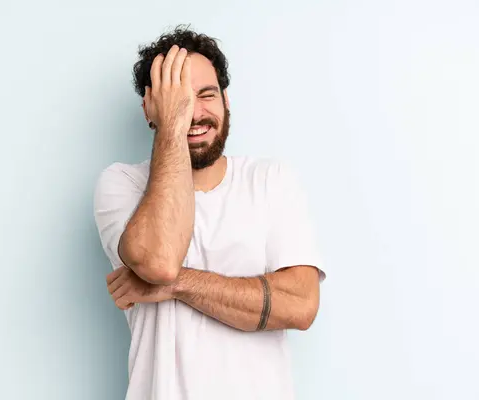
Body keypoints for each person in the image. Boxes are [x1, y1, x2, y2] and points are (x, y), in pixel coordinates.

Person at [93, 26, 327, 400]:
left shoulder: (270, 180)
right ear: (150, 110)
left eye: (206, 95)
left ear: (226, 100)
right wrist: (172, 124)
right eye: (180, 99)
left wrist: (173, 285)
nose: (196, 113)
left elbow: (301, 306)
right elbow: (159, 261)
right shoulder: (121, 183)